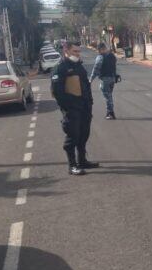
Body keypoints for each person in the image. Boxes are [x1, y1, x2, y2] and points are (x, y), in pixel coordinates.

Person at [51, 41, 99, 176]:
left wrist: (90, 103)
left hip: (84, 108)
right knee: (72, 136)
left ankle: (82, 161)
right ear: (66, 51)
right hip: (72, 110)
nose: (78, 54)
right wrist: (67, 107)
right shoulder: (60, 68)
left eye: (79, 51)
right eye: (75, 51)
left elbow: (86, 86)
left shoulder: (79, 66)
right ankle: (72, 166)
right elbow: (57, 92)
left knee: (84, 135)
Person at [90, 43, 118, 120]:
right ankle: (110, 112)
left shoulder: (100, 57)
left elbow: (96, 69)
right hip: (112, 78)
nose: (98, 51)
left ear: (101, 49)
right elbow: (113, 66)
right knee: (109, 95)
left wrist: (90, 80)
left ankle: (110, 113)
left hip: (105, 79)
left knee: (108, 96)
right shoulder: (112, 56)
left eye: (98, 50)